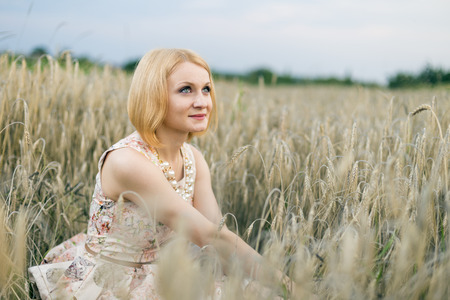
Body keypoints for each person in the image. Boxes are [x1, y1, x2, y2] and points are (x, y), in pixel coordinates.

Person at [29, 48, 290, 299]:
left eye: (206, 89)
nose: (202, 102)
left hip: (170, 266)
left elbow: (216, 233)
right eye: (185, 90)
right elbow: (209, 236)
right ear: (153, 96)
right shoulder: (127, 161)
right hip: (118, 278)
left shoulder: (193, 158)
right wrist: (290, 287)